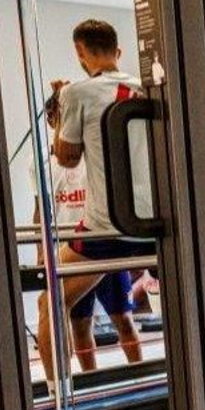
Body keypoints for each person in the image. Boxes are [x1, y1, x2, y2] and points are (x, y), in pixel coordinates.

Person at [35, 20, 153, 385]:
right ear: (117, 51)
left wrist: (61, 118)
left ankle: (61, 395)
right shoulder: (148, 88)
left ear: (80, 52)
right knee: (102, 319)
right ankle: (149, 384)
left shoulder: (77, 93)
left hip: (107, 227)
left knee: (49, 303)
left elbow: (67, 158)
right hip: (152, 223)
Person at [35, 90, 141, 373]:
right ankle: (86, 380)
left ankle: (139, 373)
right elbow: (41, 209)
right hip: (74, 249)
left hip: (103, 242)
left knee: (124, 320)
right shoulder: (44, 164)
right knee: (78, 324)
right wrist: (41, 252)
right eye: (58, 117)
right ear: (51, 121)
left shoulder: (91, 152)